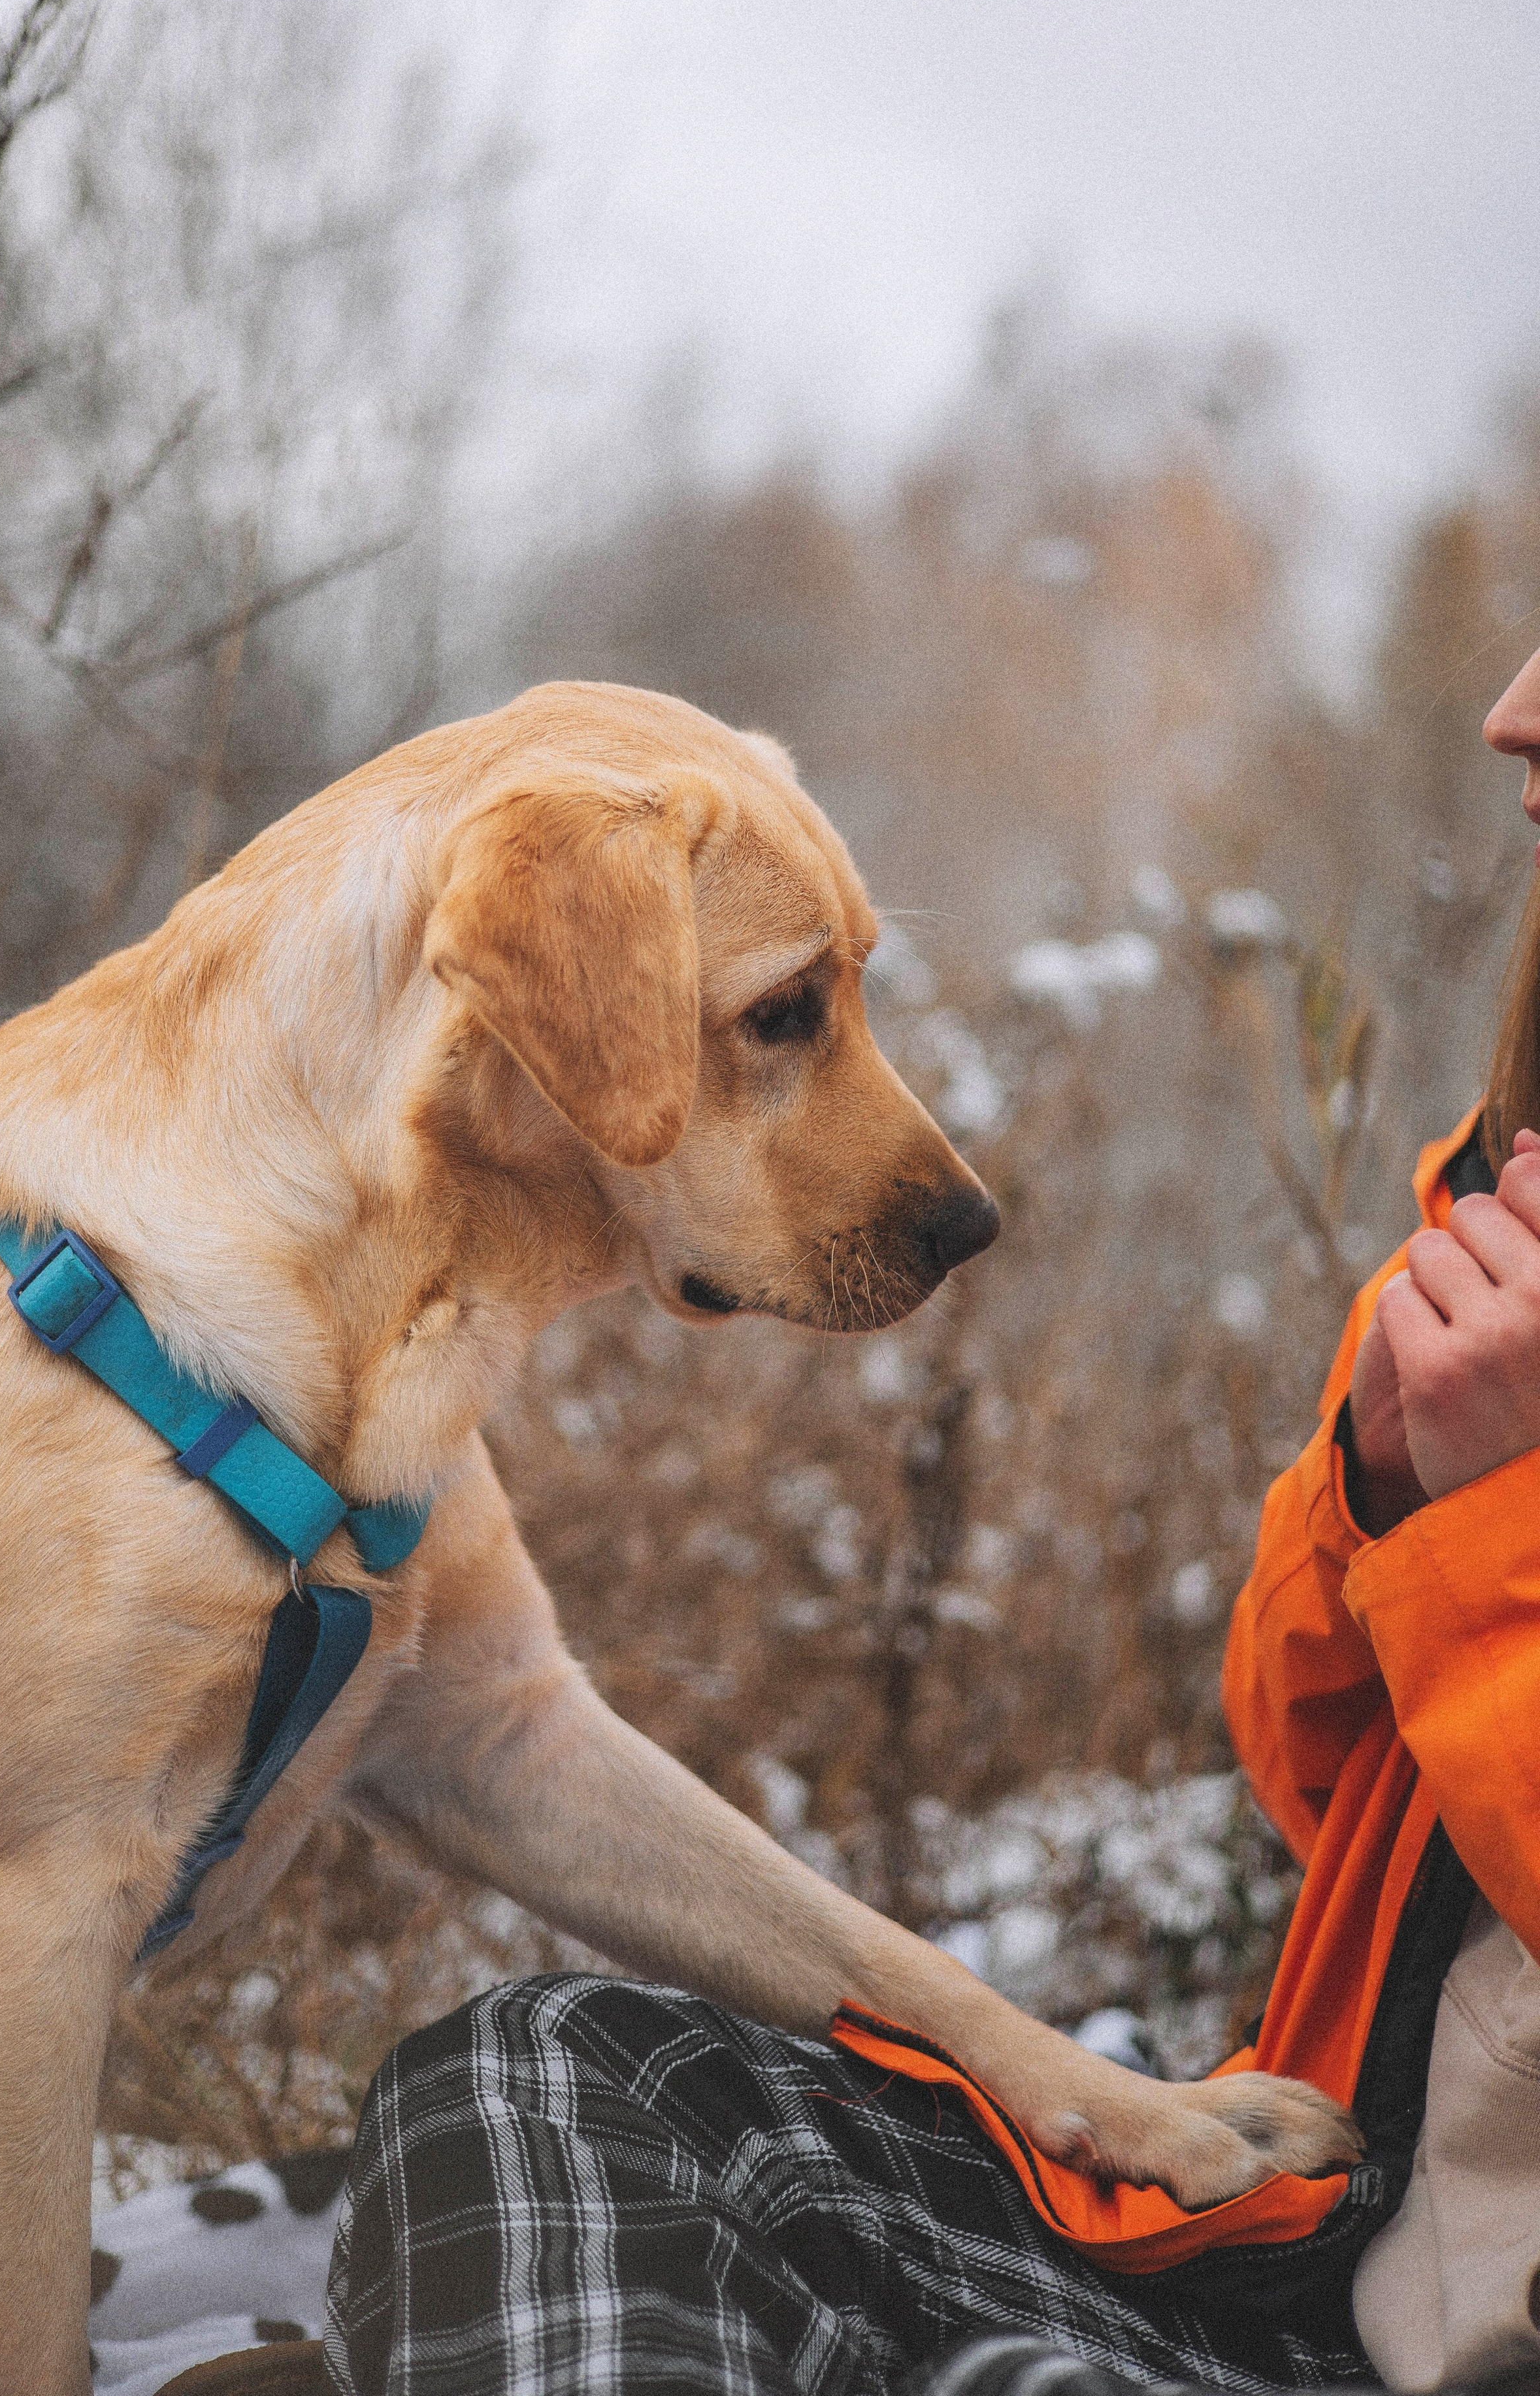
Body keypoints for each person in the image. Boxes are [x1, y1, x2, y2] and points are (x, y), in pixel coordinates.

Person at [318, 646, 1540, 2396]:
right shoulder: (1509, 1193)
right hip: (1325, 2258)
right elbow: (1330, 1795)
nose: (1513, 707)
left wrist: (1500, 1559)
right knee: (528, 2087)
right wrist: (1393, 1502)